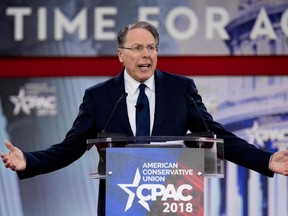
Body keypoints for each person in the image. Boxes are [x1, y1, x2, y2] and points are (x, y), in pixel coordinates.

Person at [1, 21, 288, 215]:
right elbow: (71, 146)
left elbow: (218, 135)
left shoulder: (181, 89)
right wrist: (30, 160)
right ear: (120, 54)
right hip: (120, 207)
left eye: (151, 48)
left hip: (171, 204)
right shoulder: (99, 96)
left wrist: (266, 160)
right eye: (138, 48)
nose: (146, 54)